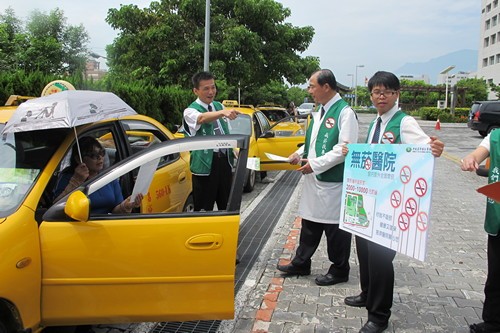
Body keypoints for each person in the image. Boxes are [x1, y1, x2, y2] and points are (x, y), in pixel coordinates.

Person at [343, 71, 444, 333]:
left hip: (390, 205)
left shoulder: (404, 122)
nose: (381, 96)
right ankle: (367, 294)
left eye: (387, 92)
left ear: (397, 94)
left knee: (380, 260)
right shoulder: (377, 122)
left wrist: (435, 149)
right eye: (376, 92)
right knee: (364, 252)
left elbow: (425, 150)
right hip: (368, 201)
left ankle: (378, 316)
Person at [276, 69, 359, 286]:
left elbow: (345, 148)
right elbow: (314, 141)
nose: (309, 90)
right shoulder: (320, 111)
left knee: (334, 228)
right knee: (310, 222)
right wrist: (300, 153)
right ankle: (302, 262)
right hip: (314, 179)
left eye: (312, 86)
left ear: (326, 87)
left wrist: (316, 164)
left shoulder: (345, 113)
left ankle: (340, 269)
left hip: (332, 181)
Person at [182, 71, 239, 211]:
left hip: (224, 161)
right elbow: (201, 118)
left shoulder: (219, 106)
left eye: (213, 87)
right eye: (206, 88)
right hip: (205, 165)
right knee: (204, 208)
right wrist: (221, 113)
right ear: (196, 91)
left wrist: (235, 149)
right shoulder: (190, 111)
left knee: (227, 205)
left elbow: (227, 132)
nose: (211, 92)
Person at [461, 131, 500, 333]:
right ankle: (493, 322)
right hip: (498, 215)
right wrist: (470, 159)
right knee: (496, 273)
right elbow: (477, 154)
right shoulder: (495, 136)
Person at [53, 136, 143, 214]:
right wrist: (76, 182)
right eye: (93, 155)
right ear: (78, 159)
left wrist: (126, 205)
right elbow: (55, 209)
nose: (100, 158)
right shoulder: (68, 177)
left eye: (102, 153)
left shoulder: (109, 177)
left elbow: (115, 211)